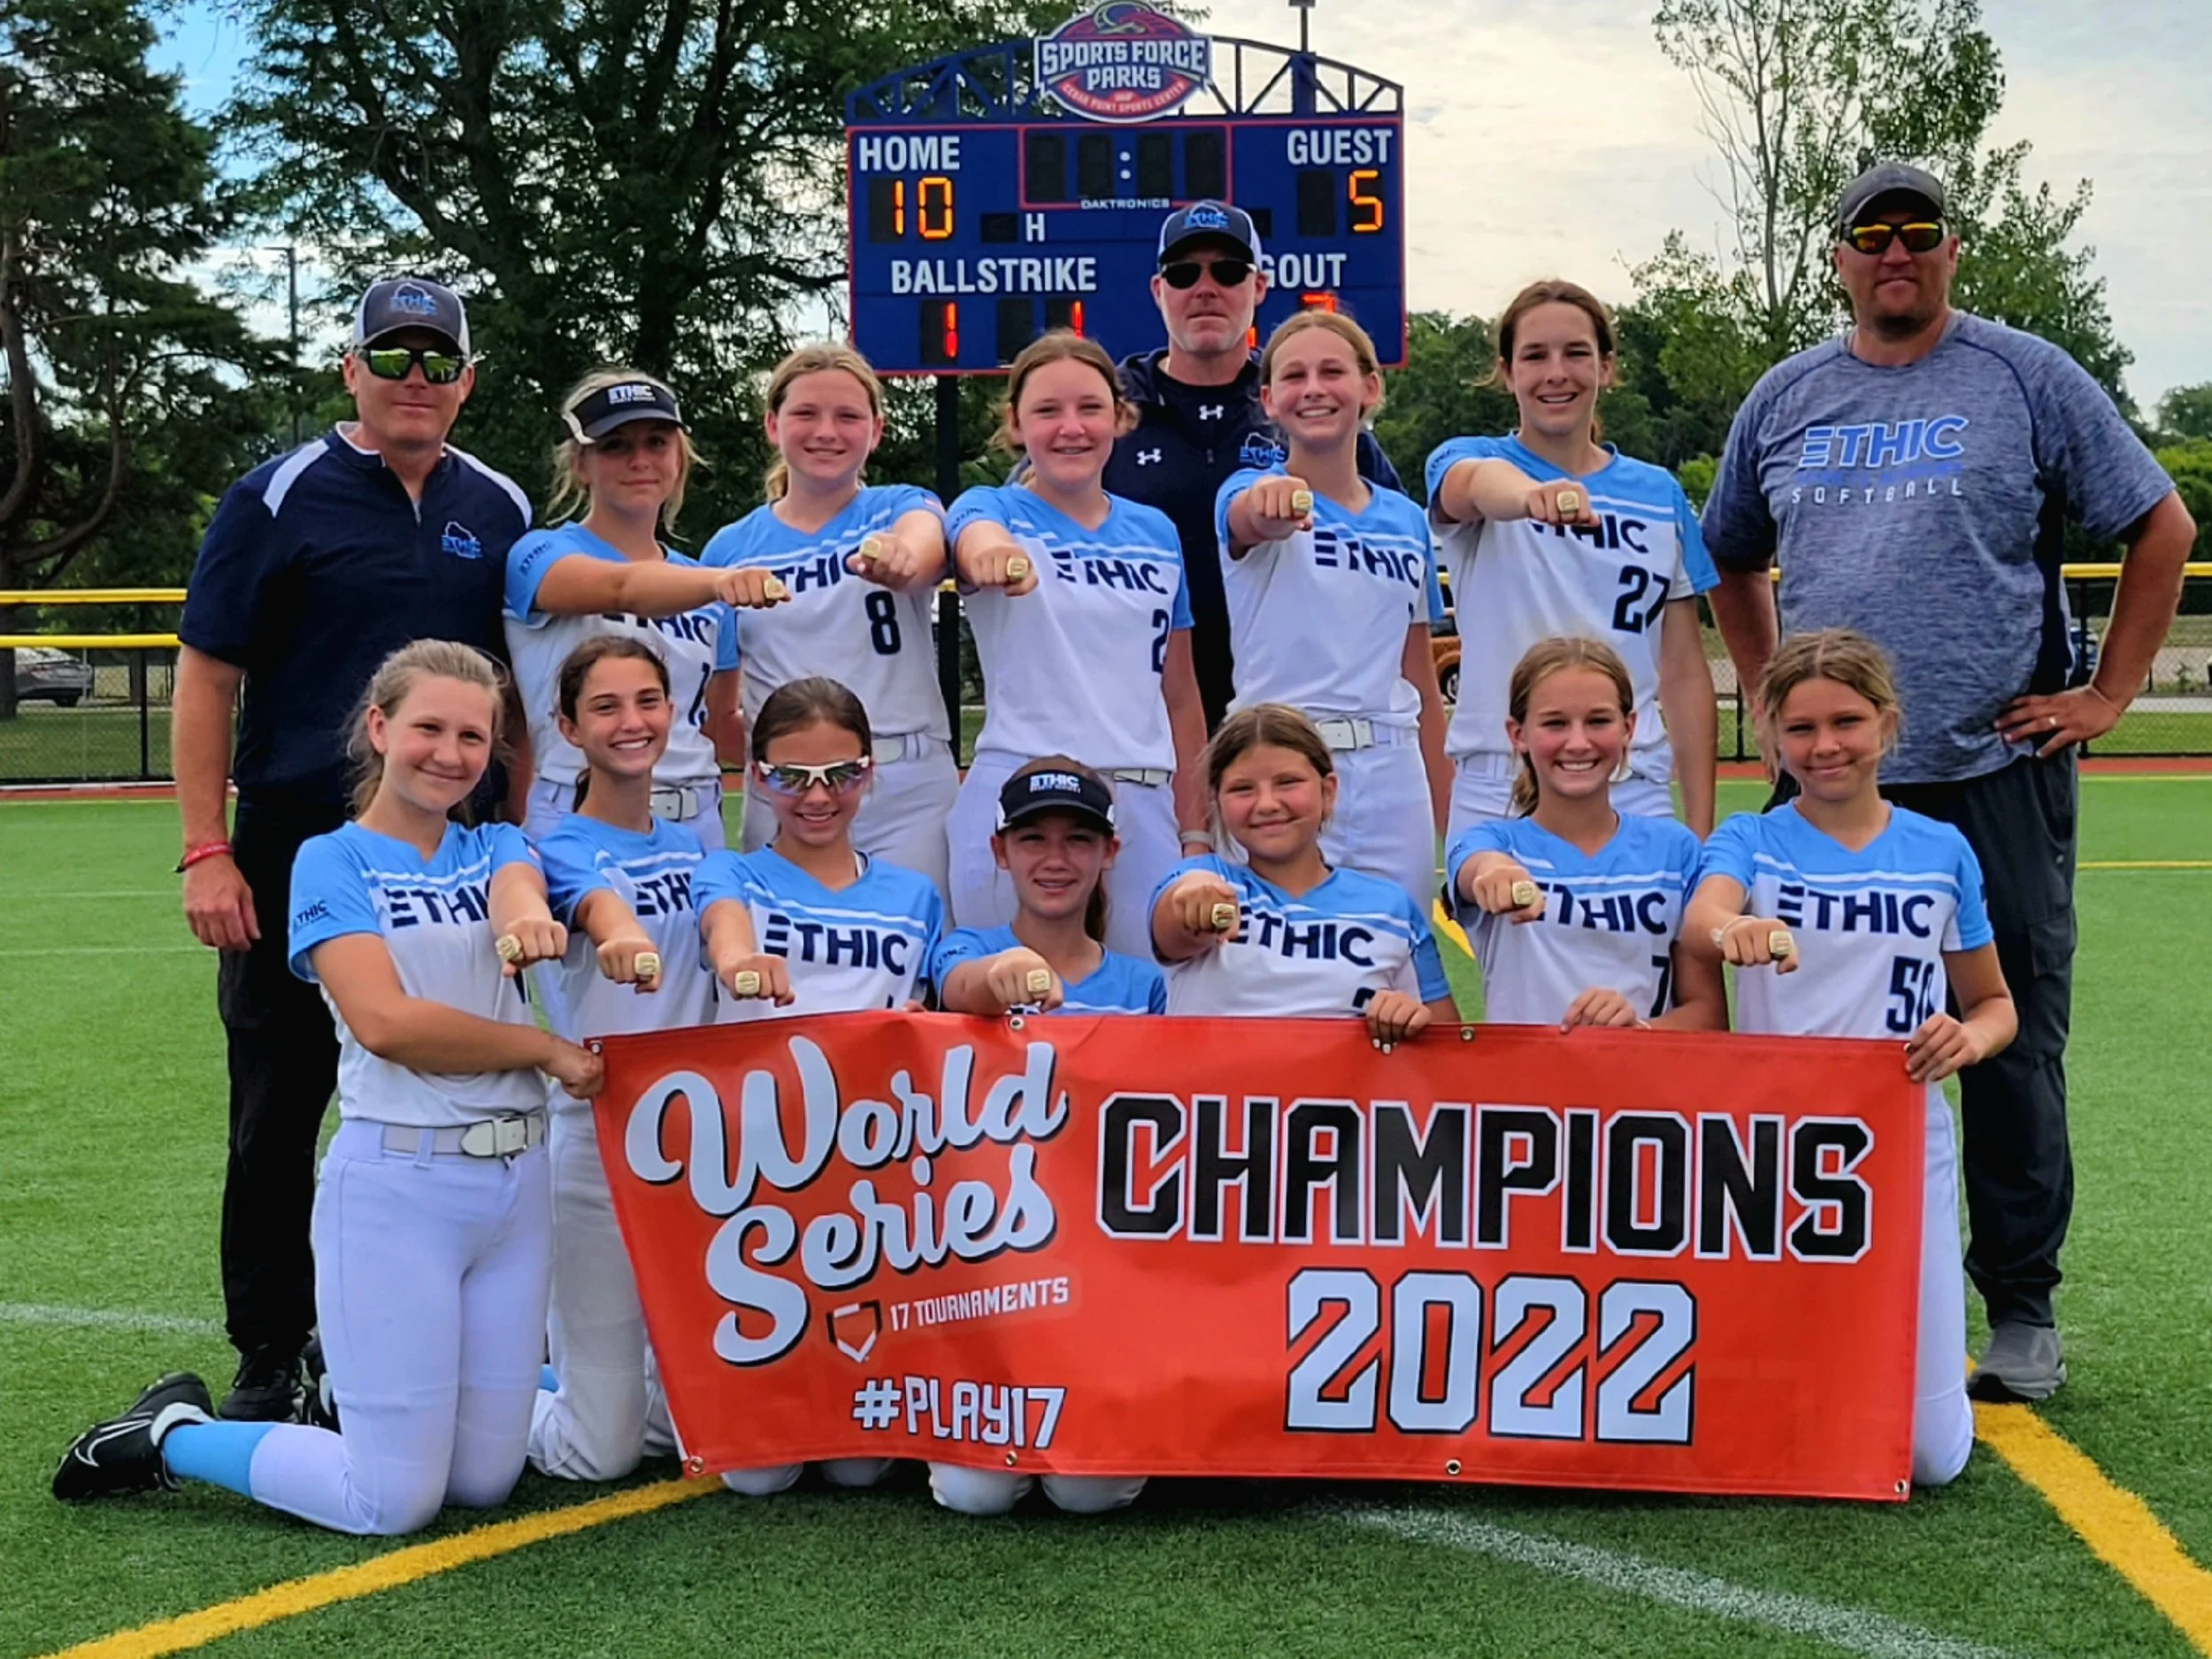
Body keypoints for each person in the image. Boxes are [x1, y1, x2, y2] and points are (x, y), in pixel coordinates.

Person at [1700, 161, 2195, 1400]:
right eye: (1870, 234)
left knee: (2004, 1033)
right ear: (1837, 258)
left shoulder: (2025, 375)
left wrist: (2108, 694)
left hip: (1990, 770)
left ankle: (2020, 1304)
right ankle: (1788, 1282)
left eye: (1917, 231)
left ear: (1950, 248)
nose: (1894, 252)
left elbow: (2161, 523)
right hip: (1822, 784)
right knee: (1785, 1027)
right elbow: (1729, 557)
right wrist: (1767, 696)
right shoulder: (1786, 395)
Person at [56, 641, 603, 1532]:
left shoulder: (498, 844)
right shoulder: (331, 860)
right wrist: (541, 1048)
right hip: (402, 1187)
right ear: (379, 727)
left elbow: (517, 891)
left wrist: (524, 915)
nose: (450, 753)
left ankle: (367, 1388)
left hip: (515, 1188)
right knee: (391, 1501)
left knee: (483, 1483)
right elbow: (385, 1022)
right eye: (429, 728)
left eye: (473, 736)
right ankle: (170, 1433)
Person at [173, 276, 534, 1420]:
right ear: (351, 369)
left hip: (455, 856)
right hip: (299, 845)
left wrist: (521, 841)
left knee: (456, 1083)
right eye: (392, 356)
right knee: (278, 1108)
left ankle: (432, 1329)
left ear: (467, 380)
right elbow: (207, 674)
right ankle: (272, 1345)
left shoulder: (502, 506)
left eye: (438, 360)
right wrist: (206, 848)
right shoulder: (275, 496)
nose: (415, 379)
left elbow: (519, 693)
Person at [1683, 630, 2017, 1485]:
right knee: (1744, 1413)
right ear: (1771, 735)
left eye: (1847, 722)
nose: (1825, 745)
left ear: (1887, 724)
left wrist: (1968, 1038)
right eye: (1800, 728)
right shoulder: (1751, 839)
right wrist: (1735, 927)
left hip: (1901, 1139)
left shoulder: (1941, 849)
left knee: (1928, 1455)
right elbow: (1703, 917)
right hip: (1770, 1149)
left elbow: (1994, 1004)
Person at [692, 676, 942, 1495]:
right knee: (757, 1475)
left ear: (870, 771)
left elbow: (937, 1005)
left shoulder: (914, 895)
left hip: (869, 1185)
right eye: (792, 776)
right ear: (757, 774)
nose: (818, 796)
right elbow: (723, 928)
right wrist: (739, 959)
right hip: (757, 1176)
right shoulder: (732, 872)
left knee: (861, 1462)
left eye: (841, 773)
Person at [527, 637, 763, 1483]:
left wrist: (742, 960)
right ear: (567, 728)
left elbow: (725, 922)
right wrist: (622, 937)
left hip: (692, 1154)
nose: (632, 722)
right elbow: (599, 907)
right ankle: (466, 1396)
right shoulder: (553, 845)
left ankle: (545, 1379)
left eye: (648, 701)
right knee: (601, 1452)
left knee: (684, 1425)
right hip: (598, 1146)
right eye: (606, 706)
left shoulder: (700, 847)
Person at [926, 757, 1158, 1516]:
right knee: (973, 1491)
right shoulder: (964, 946)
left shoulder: (1143, 986)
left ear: (1109, 852)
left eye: (1077, 839)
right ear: (1000, 850)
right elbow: (964, 986)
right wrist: (1010, 972)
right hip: (988, 1267)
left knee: (1091, 1490)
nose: (1055, 859)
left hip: (1099, 1265)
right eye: (1032, 839)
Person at [1425, 280, 1720, 841]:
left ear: (1606, 368)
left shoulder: (1658, 493)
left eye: (1576, 353)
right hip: (1502, 781)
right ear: (1508, 373)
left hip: (1631, 780)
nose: (1556, 372)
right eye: (1535, 356)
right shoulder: (1472, 458)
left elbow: (1683, 671)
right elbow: (1474, 485)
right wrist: (1530, 497)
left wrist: (1702, 833)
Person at [946, 333, 1209, 959]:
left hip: (1140, 800)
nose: (1071, 428)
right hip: (1022, 793)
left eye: (1090, 408)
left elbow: (1179, 695)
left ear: (1120, 417)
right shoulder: (994, 508)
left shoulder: (1155, 530)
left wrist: (1195, 834)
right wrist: (992, 553)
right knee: (1009, 996)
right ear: (1016, 424)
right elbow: (974, 538)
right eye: (1047, 411)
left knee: (1144, 999)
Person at [1104, 201, 1404, 729]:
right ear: (1158, 290)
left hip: (1292, 717)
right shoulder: (1106, 409)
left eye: (1227, 271)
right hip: (1135, 714)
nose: (1205, 288)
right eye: (1183, 274)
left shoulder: (1306, 405)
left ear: (1259, 286)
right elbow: (1027, 513)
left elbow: (1393, 553)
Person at [1215, 311, 1451, 910]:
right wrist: (1272, 498)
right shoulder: (1247, 489)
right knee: (1274, 949)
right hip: (1281, 761)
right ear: (1269, 400)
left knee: (1397, 945)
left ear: (1369, 387)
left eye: (1332, 372)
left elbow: (1419, 678)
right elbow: (1251, 515)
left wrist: (1454, 827)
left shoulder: (1406, 520)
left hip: (1390, 770)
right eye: (1294, 376)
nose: (1314, 388)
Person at [702, 345, 958, 892]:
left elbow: (925, 543)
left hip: (905, 785)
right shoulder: (729, 549)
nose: (826, 432)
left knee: (916, 941)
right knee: (786, 943)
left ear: (877, 430)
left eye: (847, 416)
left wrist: (902, 556)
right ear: (773, 425)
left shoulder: (897, 506)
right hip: (790, 790)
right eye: (806, 414)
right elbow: (719, 708)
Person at [505, 369, 782, 850]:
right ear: (580, 464)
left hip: (695, 822)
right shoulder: (540, 555)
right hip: (579, 814)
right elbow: (623, 588)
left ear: (679, 457)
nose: (640, 461)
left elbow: (717, 724)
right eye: (615, 446)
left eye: (657, 442)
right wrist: (719, 584)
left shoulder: (703, 585)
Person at [1447, 637, 1724, 1031]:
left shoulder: (1673, 849)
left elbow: (1708, 1013)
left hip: (1640, 1071)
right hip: (1523, 1071)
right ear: (1517, 734)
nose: (1578, 743)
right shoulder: (1494, 842)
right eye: (1555, 724)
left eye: (1598, 721)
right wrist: (1495, 875)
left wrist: (1636, 1034)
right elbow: (1477, 867)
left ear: (1629, 728)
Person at [1151, 704, 1458, 1048]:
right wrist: (1192, 902)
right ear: (1217, 801)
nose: (1267, 804)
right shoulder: (1203, 878)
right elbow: (1174, 921)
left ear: (1328, 791)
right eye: (1242, 789)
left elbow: (1447, 1046)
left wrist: (1409, 1018)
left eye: (1288, 783)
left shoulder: (1391, 907)